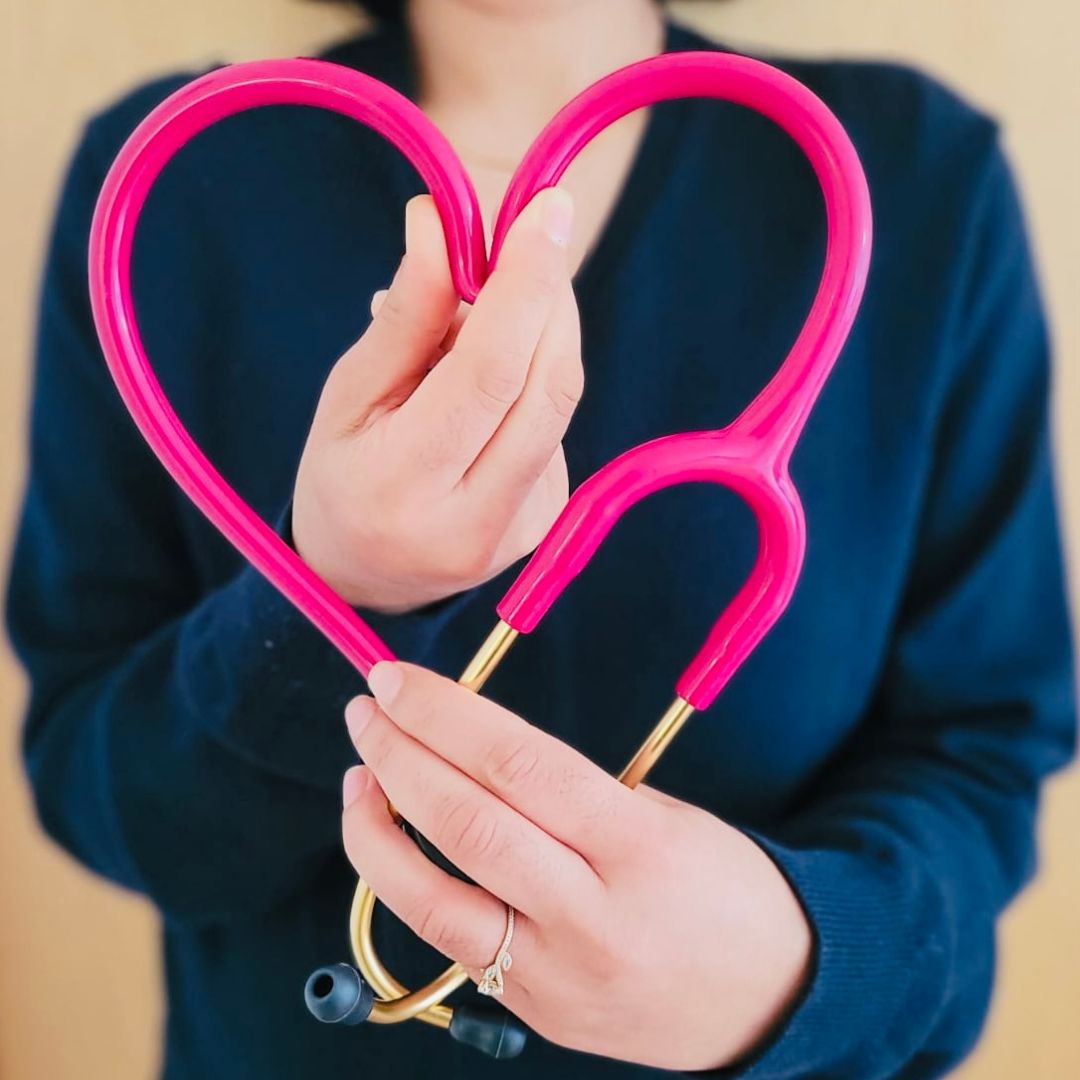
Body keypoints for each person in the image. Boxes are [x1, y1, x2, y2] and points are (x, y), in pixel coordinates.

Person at [7, 0, 1075, 1076]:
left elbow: (981, 752)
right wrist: (337, 588)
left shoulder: (917, 180)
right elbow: (97, 784)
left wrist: (809, 956)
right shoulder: (173, 180)